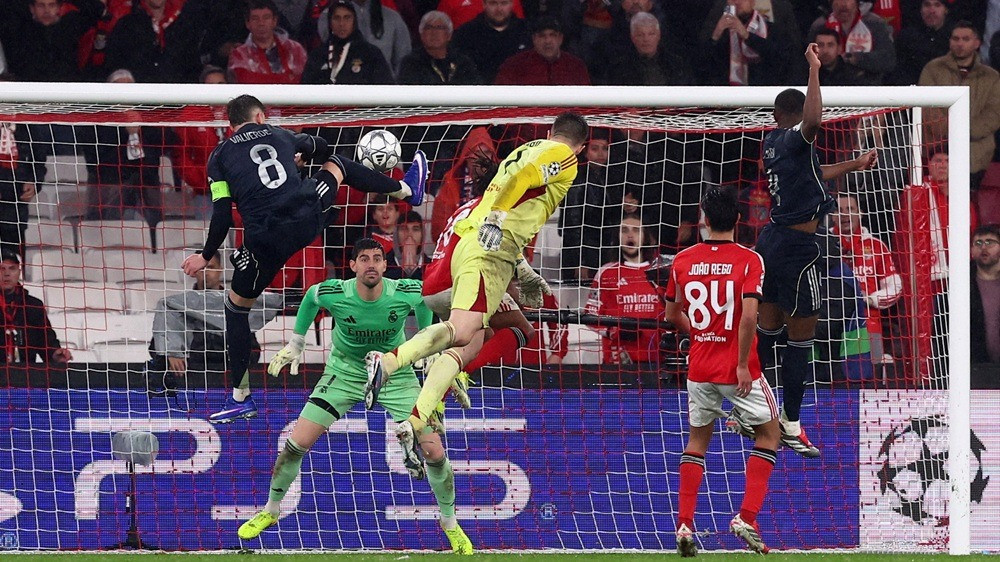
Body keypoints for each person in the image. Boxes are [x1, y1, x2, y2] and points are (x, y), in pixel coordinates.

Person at [181, 94, 428, 424]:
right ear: (260, 116)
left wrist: (205, 255)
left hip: (264, 240)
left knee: (235, 307)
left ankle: (241, 397)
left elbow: (223, 213)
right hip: (305, 219)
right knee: (339, 165)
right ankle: (406, 190)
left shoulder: (219, 158)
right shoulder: (280, 134)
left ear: (230, 125)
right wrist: (301, 155)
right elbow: (320, 145)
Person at [365, 112, 587, 456]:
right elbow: (525, 181)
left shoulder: (526, 148)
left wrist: (522, 268)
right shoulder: (564, 157)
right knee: (463, 330)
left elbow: (512, 184)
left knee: (476, 333)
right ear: (583, 145)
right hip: (486, 251)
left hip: (464, 254)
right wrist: (498, 220)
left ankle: (418, 417)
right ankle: (392, 363)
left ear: (549, 130)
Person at [239, 239, 474, 555]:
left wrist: (425, 343)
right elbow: (311, 297)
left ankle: (449, 523)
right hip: (344, 373)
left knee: (433, 451)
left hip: (395, 373)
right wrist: (296, 342)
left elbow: (424, 301)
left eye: (377, 259)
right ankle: (271, 509)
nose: (371, 265)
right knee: (295, 445)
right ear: (352, 266)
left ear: (384, 264)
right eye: (364, 259)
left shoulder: (403, 290)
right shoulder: (336, 292)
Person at [755, 43, 877, 458]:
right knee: (800, 337)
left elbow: (817, 173)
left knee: (767, 328)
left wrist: (854, 164)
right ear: (794, 114)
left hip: (771, 241)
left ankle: (748, 407)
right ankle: (790, 421)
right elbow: (813, 119)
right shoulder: (797, 134)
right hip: (798, 246)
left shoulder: (774, 144)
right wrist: (814, 70)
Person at [664, 187, 778, 556]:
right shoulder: (750, 259)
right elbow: (749, 315)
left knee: (697, 442)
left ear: (705, 221)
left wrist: (700, 333)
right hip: (737, 369)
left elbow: (670, 315)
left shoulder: (682, 260)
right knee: (770, 435)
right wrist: (743, 363)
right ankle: (746, 517)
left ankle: (684, 525)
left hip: (699, 365)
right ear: (739, 221)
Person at [147, 251, 276, 397]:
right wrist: (170, 353)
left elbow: (252, 351)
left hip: (229, 382)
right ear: (194, 271)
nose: (206, 272)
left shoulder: (236, 306)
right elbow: (156, 346)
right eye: (202, 268)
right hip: (188, 383)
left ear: (220, 269)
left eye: (211, 267)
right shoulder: (177, 307)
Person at [919, 21, 1000, 191]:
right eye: (956, 38)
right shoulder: (932, 69)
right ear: (949, 41)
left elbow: (994, 114)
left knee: (970, 210)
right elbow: (927, 108)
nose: (960, 43)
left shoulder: (992, 77)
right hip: (936, 154)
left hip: (976, 156)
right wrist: (952, 130)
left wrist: (965, 131)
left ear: (977, 43)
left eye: (966, 39)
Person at [584, 213, 664, 364]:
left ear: (646, 235)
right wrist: (613, 331)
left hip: (657, 361)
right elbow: (590, 316)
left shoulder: (661, 271)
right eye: (624, 230)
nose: (630, 235)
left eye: (636, 230)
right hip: (618, 362)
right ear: (617, 236)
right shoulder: (605, 273)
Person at [833, 193, 902, 366]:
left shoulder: (877, 246)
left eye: (850, 209)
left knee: (874, 377)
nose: (845, 215)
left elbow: (896, 287)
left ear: (860, 213)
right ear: (832, 215)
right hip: (831, 326)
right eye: (839, 210)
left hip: (870, 326)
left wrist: (869, 299)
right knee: (833, 381)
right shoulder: (821, 244)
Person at [0, 250, 73, 366]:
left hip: (27, 375)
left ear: (19, 272)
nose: (7, 274)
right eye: (2, 269)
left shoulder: (33, 305)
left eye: (12, 268)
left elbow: (46, 341)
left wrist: (55, 354)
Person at [103, 0, 204, 83]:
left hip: (179, 100)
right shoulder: (127, 25)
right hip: (139, 100)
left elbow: (194, 65)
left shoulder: (184, 24)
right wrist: (121, 76)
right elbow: (114, 63)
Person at [698, 0, 793, 86]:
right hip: (725, 93)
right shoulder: (718, 28)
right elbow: (702, 63)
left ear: (753, 2)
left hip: (761, 90)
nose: (736, 2)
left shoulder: (771, 28)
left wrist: (747, 35)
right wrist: (716, 35)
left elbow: (779, 59)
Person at [6, 0, 103, 82]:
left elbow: (97, 8)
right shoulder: (21, 30)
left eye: (52, 5)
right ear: (32, 8)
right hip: (28, 92)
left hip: (67, 91)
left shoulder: (70, 25)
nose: (47, 11)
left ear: (59, 7)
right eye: (41, 5)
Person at [302, 0, 395, 85]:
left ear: (354, 21)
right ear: (330, 22)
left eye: (347, 17)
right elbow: (304, 91)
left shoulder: (370, 54)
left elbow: (386, 90)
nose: (342, 23)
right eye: (336, 18)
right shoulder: (318, 55)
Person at [807, 0, 896, 85]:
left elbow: (888, 60)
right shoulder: (820, 25)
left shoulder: (874, 23)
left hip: (868, 90)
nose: (844, 4)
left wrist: (857, 58)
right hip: (827, 88)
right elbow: (807, 61)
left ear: (857, 2)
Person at [430, 127, 496, 241]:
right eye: (477, 153)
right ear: (467, 155)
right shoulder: (451, 182)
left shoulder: (502, 179)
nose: (483, 158)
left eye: (486, 152)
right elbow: (439, 228)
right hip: (457, 243)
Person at [228, 0, 308, 84]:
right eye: (255, 19)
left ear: (274, 21)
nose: (261, 23)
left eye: (266, 18)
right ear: (248, 23)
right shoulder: (239, 55)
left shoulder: (296, 50)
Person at [493, 16, 590, 85]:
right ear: (534, 39)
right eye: (542, 36)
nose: (548, 41)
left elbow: (587, 102)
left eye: (552, 35)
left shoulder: (576, 66)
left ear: (560, 38)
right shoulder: (514, 65)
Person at [451, 0, 530, 83]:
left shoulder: (527, 31)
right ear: (484, 5)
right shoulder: (466, 33)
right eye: (493, 3)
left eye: (504, 3)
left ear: (512, 4)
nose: (499, 9)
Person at [605, 12, 693, 86]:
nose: (646, 39)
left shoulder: (677, 65)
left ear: (658, 35)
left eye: (651, 34)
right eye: (640, 35)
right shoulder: (618, 69)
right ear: (632, 38)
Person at [397, 11, 482, 85]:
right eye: (428, 28)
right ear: (421, 35)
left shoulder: (462, 62)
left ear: (449, 35)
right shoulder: (411, 63)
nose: (434, 32)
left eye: (439, 28)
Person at [892, 0, 953, 85]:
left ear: (946, 10)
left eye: (937, 5)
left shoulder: (955, 37)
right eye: (927, 5)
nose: (932, 11)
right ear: (921, 9)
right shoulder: (906, 37)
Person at [972, 224, 1000, 364]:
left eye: (990, 242)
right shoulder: (961, 286)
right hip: (977, 370)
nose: (983, 247)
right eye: (978, 243)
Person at [385, 210, 430, 279]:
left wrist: (414, 271)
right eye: (404, 229)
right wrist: (403, 271)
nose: (409, 235)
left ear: (422, 234)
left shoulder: (432, 265)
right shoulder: (382, 264)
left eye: (415, 229)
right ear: (396, 234)